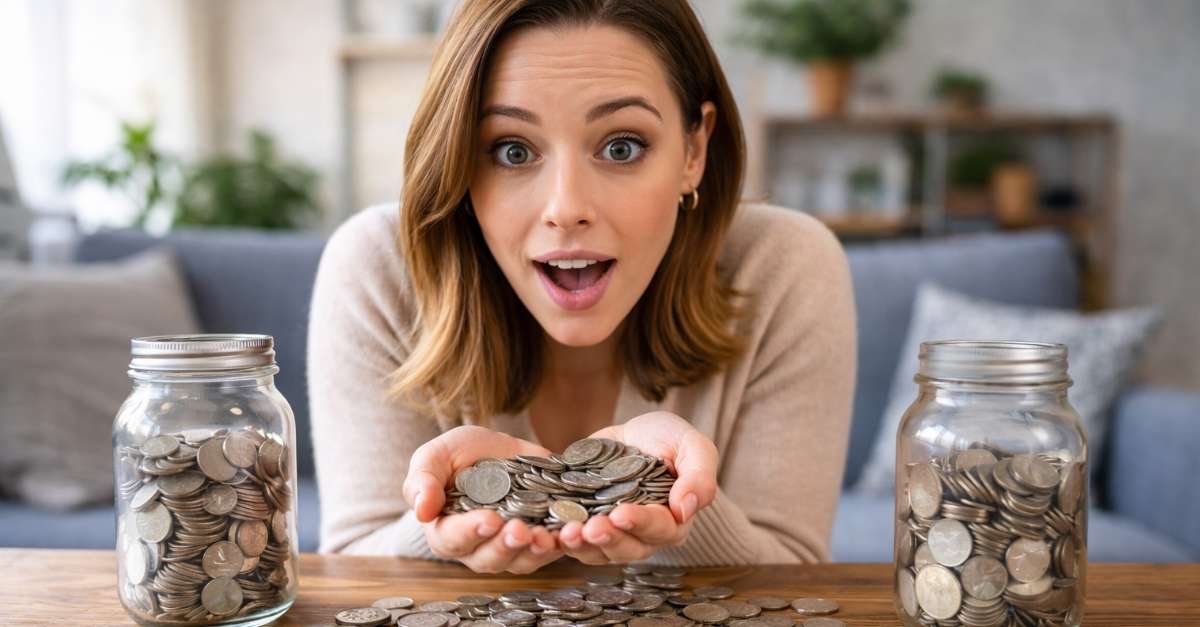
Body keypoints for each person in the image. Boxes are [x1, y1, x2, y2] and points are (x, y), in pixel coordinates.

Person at [309, 0, 856, 574]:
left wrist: (677, 497)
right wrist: (445, 517)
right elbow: (348, 568)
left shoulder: (786, 266)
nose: (566, 208)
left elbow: (796, 571)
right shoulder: (376, 267)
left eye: (622, 147)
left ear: (693, 152)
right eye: (513, 151)